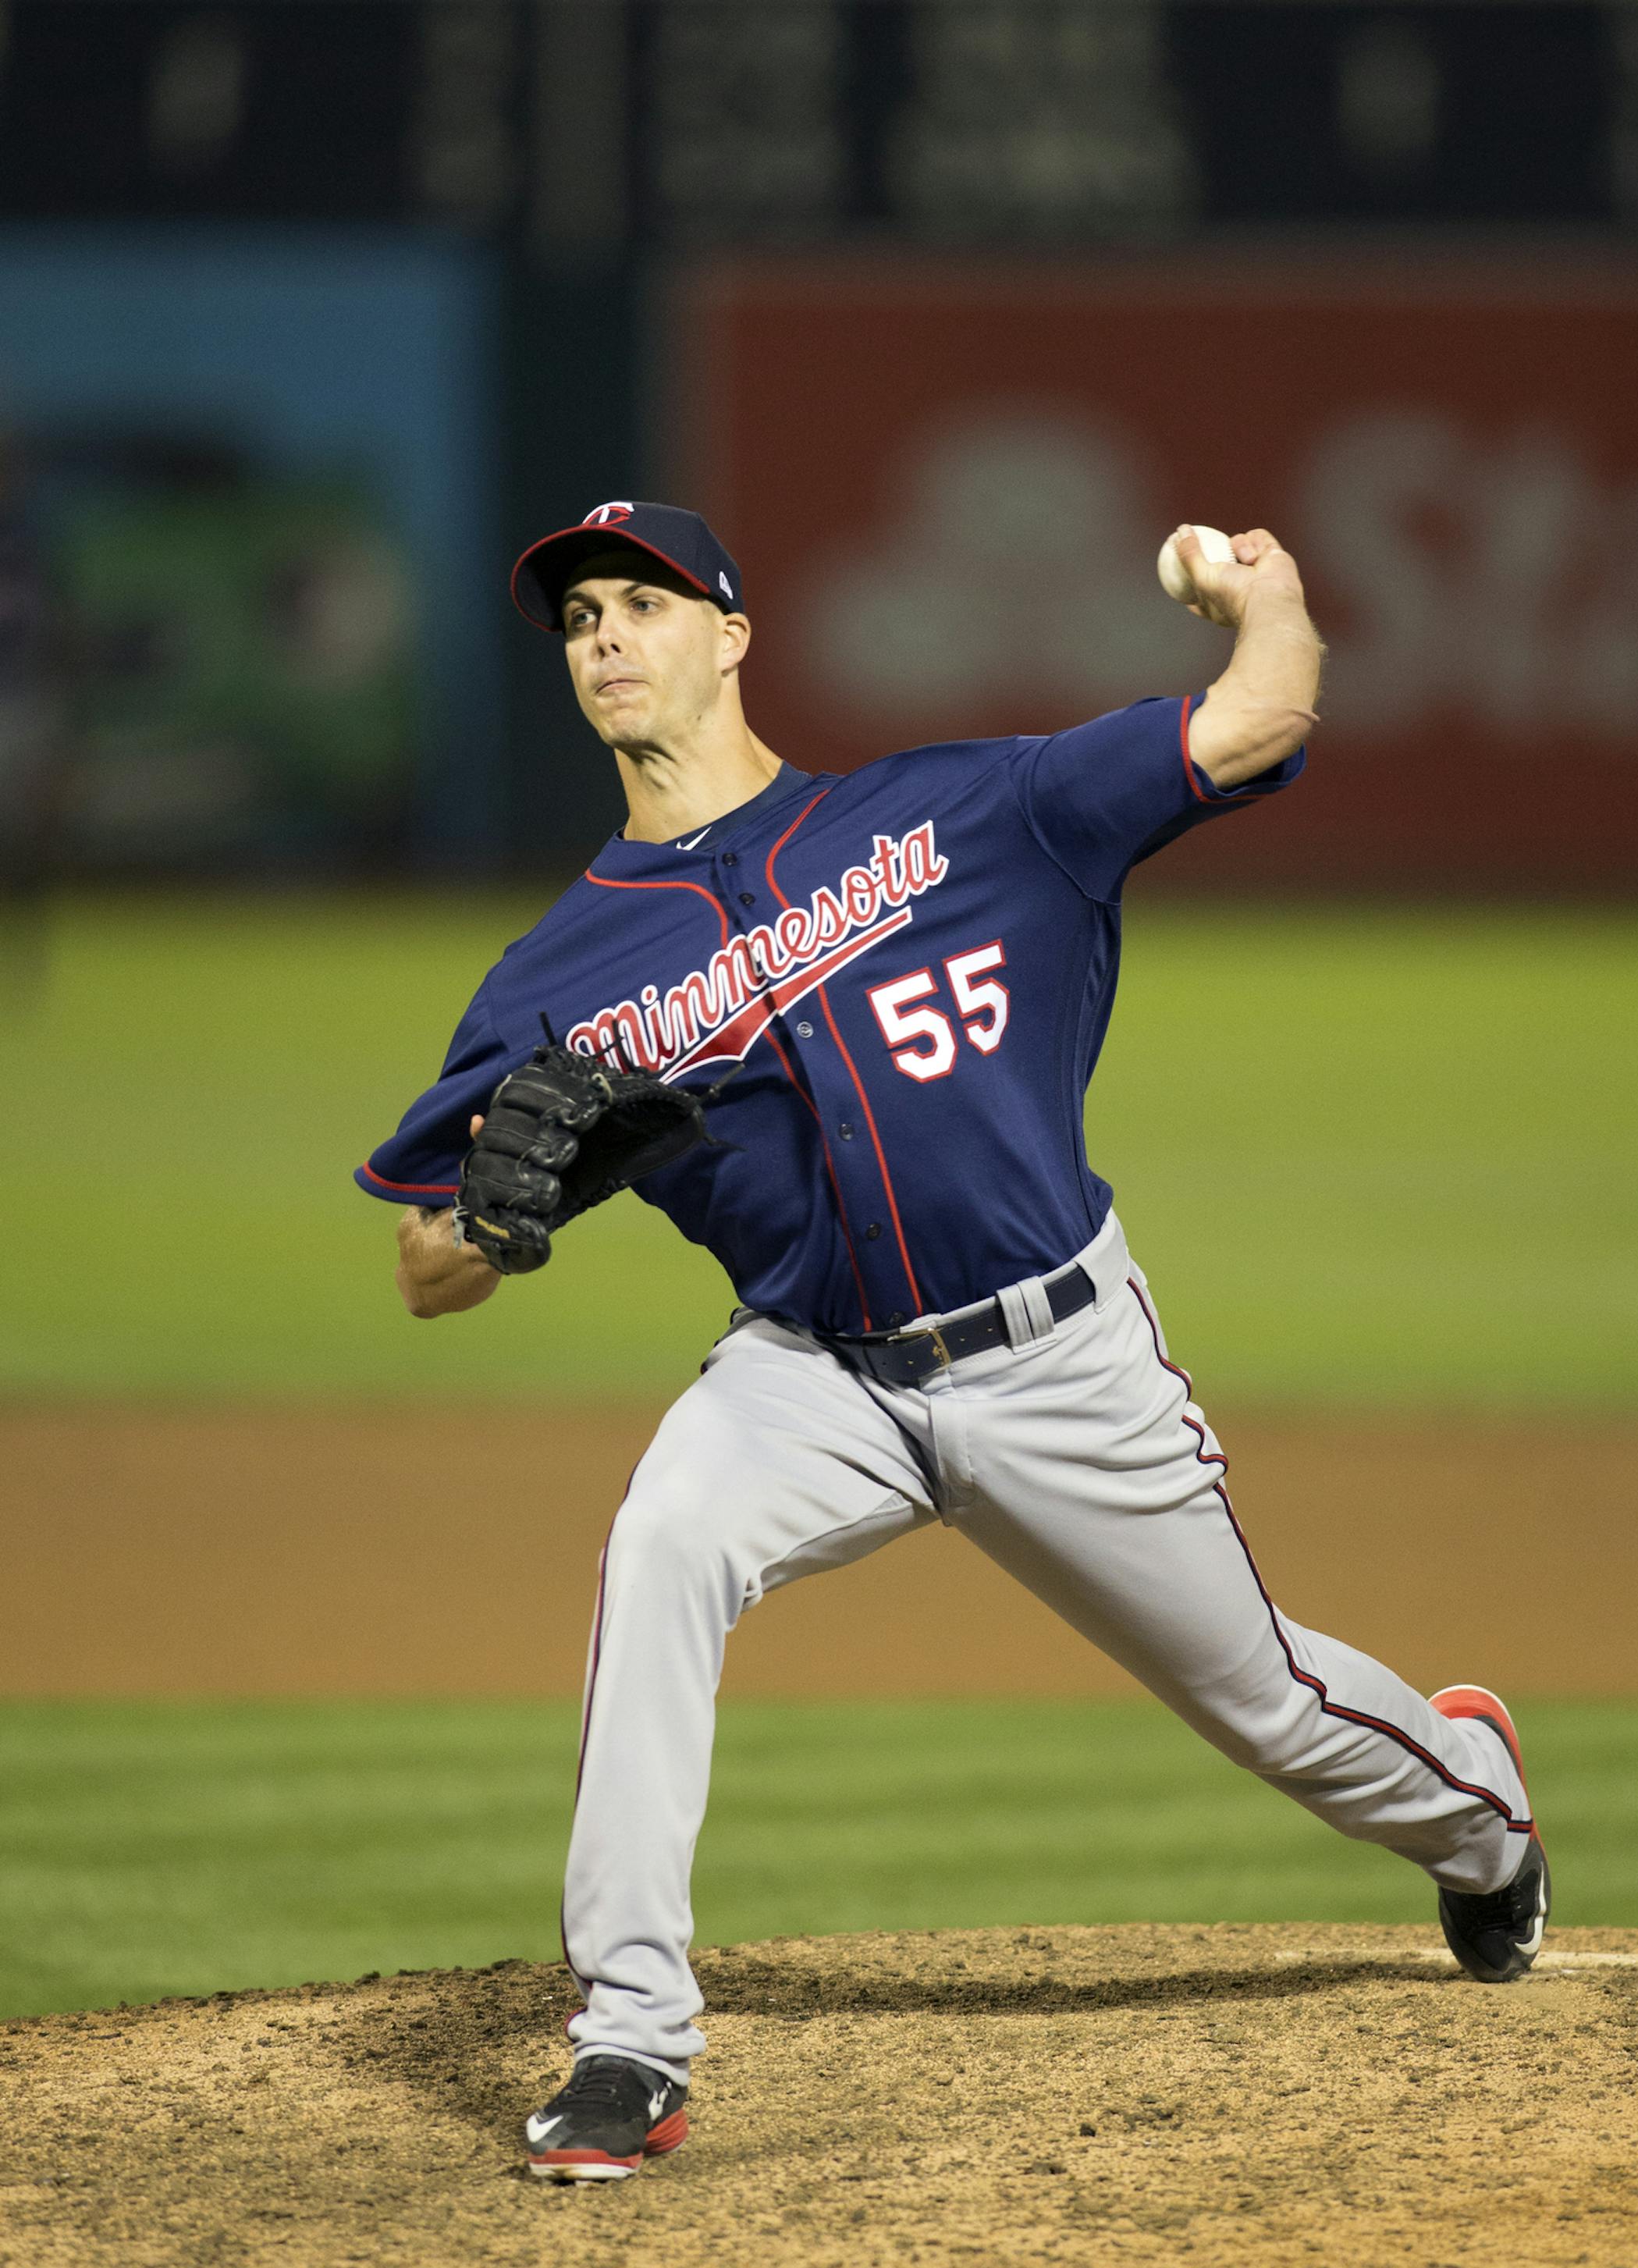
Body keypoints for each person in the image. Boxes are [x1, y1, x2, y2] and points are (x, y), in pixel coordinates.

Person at [355, 500, 1549, 2183]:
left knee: (1264, 1697)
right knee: (662, 1539)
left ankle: (1483, 1810)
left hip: (1059, 1359)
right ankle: (632, 2037)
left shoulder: (969, 810)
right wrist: (499, 1211)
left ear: (733, 634)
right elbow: (423, 1262)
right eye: (578, 621)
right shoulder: (562, 970)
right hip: (812, 1373)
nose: (606, 637)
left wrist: (1268, 597)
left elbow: (1260, 715)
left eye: (642, 602)